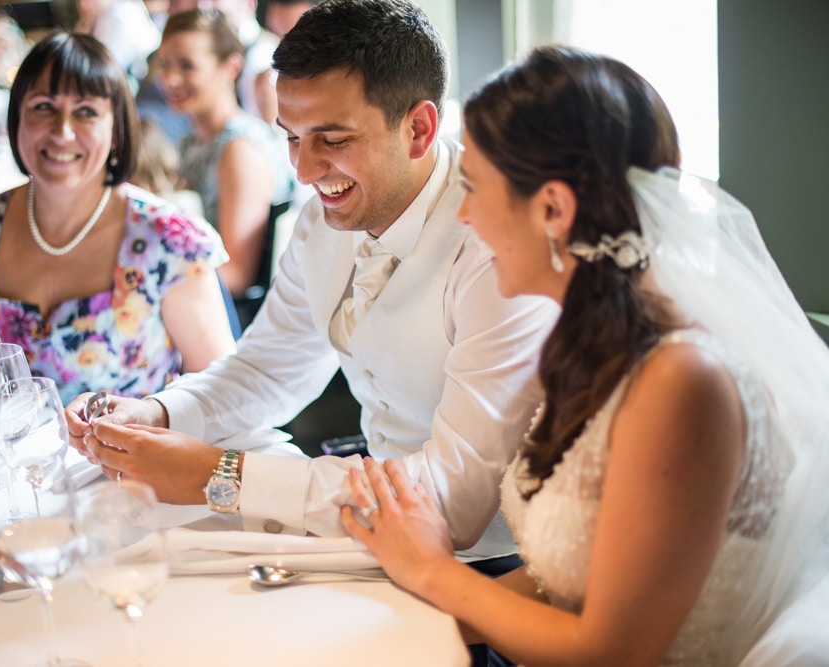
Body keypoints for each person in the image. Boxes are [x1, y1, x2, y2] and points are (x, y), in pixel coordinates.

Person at [339, 45, 829, 665]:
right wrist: (394, 627)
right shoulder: (595, 349)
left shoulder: (682, 379)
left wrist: (433, 571)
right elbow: (566, 583)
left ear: (552, 209)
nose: (464, 215)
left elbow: (613, 650)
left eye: (474, 189)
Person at [66, 0, 556, 575]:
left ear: (419, 128)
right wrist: (159, 413)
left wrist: (219, 474)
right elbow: (269, 367)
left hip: (498, 566)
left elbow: (455, 500)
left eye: (334, 139)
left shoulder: (498, 247)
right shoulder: (321, 221)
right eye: (293, 137)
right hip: (367, 523)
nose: (304, 169)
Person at [0, 32, 235, 404]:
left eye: (86, 112)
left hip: (131, 457)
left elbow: (219, 395)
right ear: (15, 118)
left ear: (116, 130)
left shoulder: (171, 238)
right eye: (43, 106)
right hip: (9, 457)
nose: (63, 131)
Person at [155, 8, 292, 297]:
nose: (170, 79)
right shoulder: (192, 141)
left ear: (231, 67)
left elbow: (237, 274)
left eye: (186, 66)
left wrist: (153, 281)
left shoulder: (240, 149)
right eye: (164, 64)